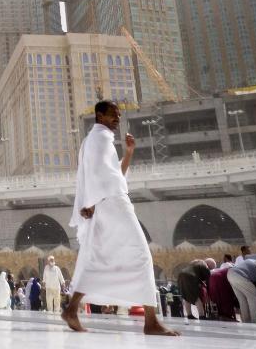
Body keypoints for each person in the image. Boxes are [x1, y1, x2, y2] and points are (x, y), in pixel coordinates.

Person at [62, 101, 178, 336]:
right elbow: (100, 176)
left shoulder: (94, 139)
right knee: (142, 255)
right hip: (113, 203)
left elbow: (112, 174)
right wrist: (91, 202)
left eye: (118, 115)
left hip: (106, 201)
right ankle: (151, 322)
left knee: (100, 258)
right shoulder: (101, 138)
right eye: (113, 114)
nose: (117, 118)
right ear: (99, 115)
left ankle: (72, 308)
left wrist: (128, 153)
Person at [227, 257, 256, 324]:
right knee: (254, 296)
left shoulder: (255, 263)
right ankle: (255, 320)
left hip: (230, 274)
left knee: (242, 299)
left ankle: (246, 320)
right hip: (239, 275)